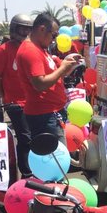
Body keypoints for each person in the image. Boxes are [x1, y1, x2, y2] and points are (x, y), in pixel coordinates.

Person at [16, 12, 79, 144]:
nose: (54, 40)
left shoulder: (40, 48)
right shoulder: (31, 50)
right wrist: (62, 68)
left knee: (57, 157)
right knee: (56, 159)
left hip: (51, 113)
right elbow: (40, 84)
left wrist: (68, 65)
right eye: (54, 35)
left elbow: (55, 74)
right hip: (44, 115)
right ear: (42, 29)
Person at [0, 14, 33, 178]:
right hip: (15, 103)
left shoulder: (31, 48)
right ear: (14, 29)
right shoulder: (3, 50)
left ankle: (35, 169)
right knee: (25, 138)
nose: (25, 32)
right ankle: (26, 172)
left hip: (33, 102)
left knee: (35, 137)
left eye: (28, 29)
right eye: (22, 28)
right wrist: (4, 96)